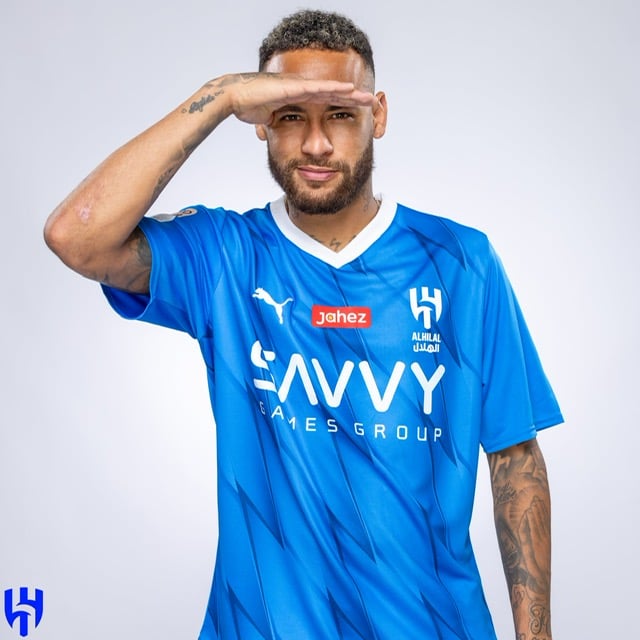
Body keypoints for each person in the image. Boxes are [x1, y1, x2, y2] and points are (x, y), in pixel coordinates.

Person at [44, 9, 562, 640]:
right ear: (261, 123)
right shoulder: (225, 255)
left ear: (379, 115)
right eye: (291, 116)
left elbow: (515, 458)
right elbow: (77, 236)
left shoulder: (460, 261)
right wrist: (220, 96)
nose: (317, 144)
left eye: (340, 114)